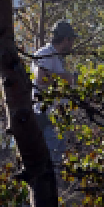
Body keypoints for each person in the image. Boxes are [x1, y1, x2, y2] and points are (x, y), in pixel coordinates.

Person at [32, 20, 76, 167]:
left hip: (56, 120)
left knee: (55, 161)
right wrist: (68, 78)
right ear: (65, 39)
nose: (72, 45)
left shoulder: (55, 57)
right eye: (71, 40)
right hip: (48, 119)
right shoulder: (45, 53)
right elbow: (41, 78)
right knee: (50, 164)